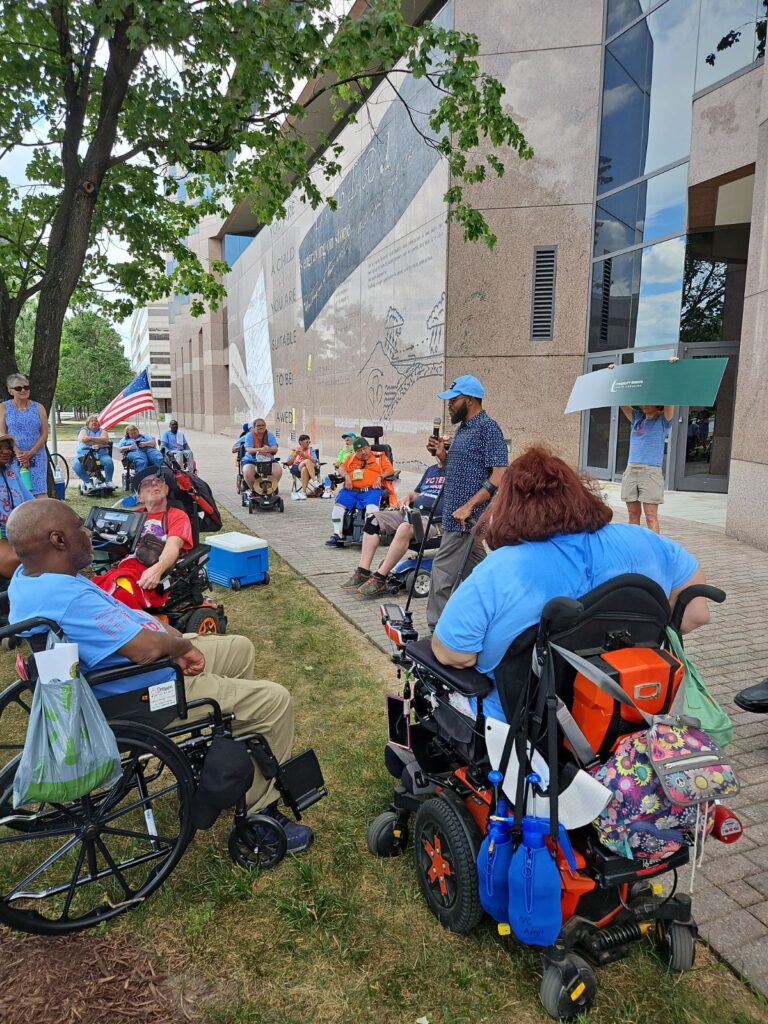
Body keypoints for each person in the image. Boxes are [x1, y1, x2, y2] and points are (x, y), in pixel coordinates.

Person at [6, 499, 312, 851]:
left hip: (130, 669)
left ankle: (223, 766)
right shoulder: (66, 597)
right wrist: (181, 648)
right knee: (274, 701)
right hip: (142, 689)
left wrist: (176, 641)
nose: (88, 533)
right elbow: (144, 650)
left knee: (240, 648)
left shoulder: (27, 578)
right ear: (58, 540)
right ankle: (263, 816)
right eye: (80, 526)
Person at [431, 446, 711, 724]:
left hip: (522, 726)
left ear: (509, 508)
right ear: (578, 493)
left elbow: (453, 653)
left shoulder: (501, 568)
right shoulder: (648, 542)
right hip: (627, 711)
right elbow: (697, 613)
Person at [425, 374, 508, 631]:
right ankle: (505, 610)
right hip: (457, 512)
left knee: (441, 571)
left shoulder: (488, 428)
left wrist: (469, 506)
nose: (449, 406)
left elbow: (499, 473)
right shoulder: (464, 429)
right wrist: (442, 456)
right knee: (482, 574)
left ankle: (436, 631)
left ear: (470, 400)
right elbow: (461, 469)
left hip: (466, 518)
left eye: (453, 401)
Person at [92, 467, 193, 609]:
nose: (154, 484)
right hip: (126, 567)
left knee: (121, 592)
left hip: (153, 570)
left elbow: (173, 546)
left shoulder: (177, 516)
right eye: (147, 483)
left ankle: (136, 627)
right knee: (93, 589)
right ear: (139, 497)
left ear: (166, 489)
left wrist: (157, 570)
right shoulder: (134, 515)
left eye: (158, 481)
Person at [341, 462, 446, 596]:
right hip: (412, 513)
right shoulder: (431, 469)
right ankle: (363, 571)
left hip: (434, 521)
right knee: (373, 520)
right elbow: (416, 493)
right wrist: (407, 497)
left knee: (405, 528)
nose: (433, 447)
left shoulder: (456, 471)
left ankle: (380, 578)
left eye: (438, 444)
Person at [325, 436, 394, 547]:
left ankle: (367, 535)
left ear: (369, 447)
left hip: (371, 490)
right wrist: (346, 476)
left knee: (371, 509)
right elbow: (341, 468)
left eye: (364, 449)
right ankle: (337, 534)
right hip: (351, 490)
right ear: (355, 452)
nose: (362, 452)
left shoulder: (379, 456)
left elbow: (390, 470)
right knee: (338, 507)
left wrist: (380, 477)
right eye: (358, 451)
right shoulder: (351, 458)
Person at [0, 373, 49, 497]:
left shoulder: (39, 407)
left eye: (26, 387)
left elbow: (44, 434)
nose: (23, 390)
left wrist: (31, 452)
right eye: (18, 388)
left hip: (37, 456)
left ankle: (42, 516)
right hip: (13, 457)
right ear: (11, 391)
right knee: (17, 492)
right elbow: (2, 433)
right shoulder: (3, 407)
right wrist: (17, 452)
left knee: (40, 493)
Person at [0, 432, 33, 577]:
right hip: (2, 535)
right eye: (0, 447)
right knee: (21, 560)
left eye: (8, 447)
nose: (6, 451)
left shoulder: (12, 472)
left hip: (18, 531)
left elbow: (30, 501)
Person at [72, 414, 114, 489]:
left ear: (99, 423)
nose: (94, 422)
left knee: (108, 462)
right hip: (85, 454)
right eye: (92, 421)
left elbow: (105, 440)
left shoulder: (103, 431)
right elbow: (83, 439)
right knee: (76, 465)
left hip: (100, 454)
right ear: (88, 423)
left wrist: (90, 439)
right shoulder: (84, 430)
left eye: (96, 421)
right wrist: (99, 441)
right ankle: (87, 482)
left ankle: (109, 481)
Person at [241, 418, 282, 494]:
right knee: (248, 472)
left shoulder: (269, 435)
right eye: (258, 425)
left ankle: (270, 489)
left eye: (263, 425)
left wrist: (268, 449)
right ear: (254, 427)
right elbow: (248, 449)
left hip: (268, 459)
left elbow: (275, 449)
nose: (261, 427)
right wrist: (260, 449)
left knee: (278, 471)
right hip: (251, 460)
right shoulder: (249, 435)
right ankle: (254, 490)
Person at [286, 434, 321, 500]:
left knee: (304, 468)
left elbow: (315, 461)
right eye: (306, 442)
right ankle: (315, 481)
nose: (308, 443)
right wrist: (295, 455)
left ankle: (303, 493)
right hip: (297, 467)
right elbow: (288, 462)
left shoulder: (311, 450)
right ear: (301, 442)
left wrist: (304, 456)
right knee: (307, 461)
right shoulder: (294, 451)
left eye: (309, 442)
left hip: (310, 469)